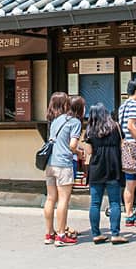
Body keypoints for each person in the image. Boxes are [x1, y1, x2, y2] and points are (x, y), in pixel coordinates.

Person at [80, 104, 127, 244]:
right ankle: (115, 234)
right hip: (114, 167)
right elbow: (122, 146)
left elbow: (89, 152)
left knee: (95, 203)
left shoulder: (89, 131)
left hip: (96, 168)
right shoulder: (116, 127)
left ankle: (96, 234)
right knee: (114, 202)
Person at [42, 93, 82, 246]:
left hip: (50, 163)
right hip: (64, 164)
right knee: (63, 199)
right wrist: (79, 152)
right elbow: (72, 145)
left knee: (50, 198)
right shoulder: (74, 122)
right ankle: (61, 235)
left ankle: (49, 233)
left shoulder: (55, 121)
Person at [116, 80, 136, 227]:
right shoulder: (135, 105)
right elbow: (131, 126)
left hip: (126, 147)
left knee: (130, 183)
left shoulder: (123, 106)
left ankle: (129, 215)